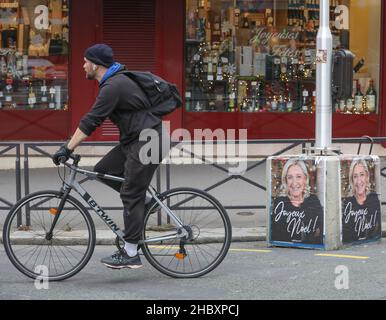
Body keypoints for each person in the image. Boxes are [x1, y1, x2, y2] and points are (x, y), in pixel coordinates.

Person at [52, 44, 169, 269]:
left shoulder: (113, 86)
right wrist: (69, 145)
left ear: (96, 64)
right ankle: (145, 203)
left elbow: (91, 120)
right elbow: (92, 119)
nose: (83, 65)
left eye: (86, 61)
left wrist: (68, 148)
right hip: (137, 140)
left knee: (130, 193)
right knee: (102, 171)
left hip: (149, 141)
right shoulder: (114, 82)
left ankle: (131, 253)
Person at [270, 159, 323, 245]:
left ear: (305, 179)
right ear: (285, 180)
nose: (294, 183)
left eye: (298, 177)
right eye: (290, 177)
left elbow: (319, 232)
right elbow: (277, 236)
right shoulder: (280, 203)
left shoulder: (313, 201)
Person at [342, 159, 381, 243]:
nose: (359, 181)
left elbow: (376, 231)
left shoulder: (374, 200)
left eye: (362, 175)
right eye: (355, 176)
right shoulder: (347, 204)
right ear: (352, 180)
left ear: (367, 176)